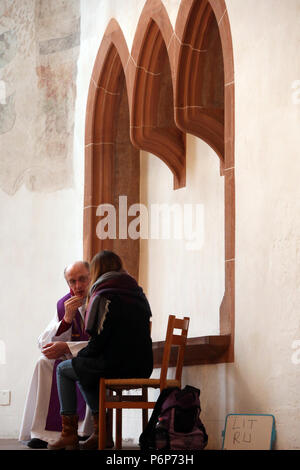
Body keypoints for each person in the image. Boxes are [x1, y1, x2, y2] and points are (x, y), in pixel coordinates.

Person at [47, 250, 153, 450]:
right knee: (83, 368)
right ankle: (100, 433)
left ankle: (72, 435)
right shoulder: (137, 292)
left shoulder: (104, 294)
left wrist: (77, 356)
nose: (78, 285)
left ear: (95, 271)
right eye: (72, 281)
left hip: (119, 365)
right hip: (143, 365)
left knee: (65, 368)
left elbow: (98, 344)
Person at [19, 261, 93, 449]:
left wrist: (68, 347)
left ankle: (84, 432)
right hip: (74, 356)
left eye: (82, 279)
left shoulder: (99, 300)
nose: (77, 286)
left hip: (92, 356)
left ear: (91, 276)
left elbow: (103, 343)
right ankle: (43, 433)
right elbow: (43, 343)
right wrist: (66, 320)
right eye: (72, 282)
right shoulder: (64, 304)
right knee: (43, 362)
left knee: (75, 367)